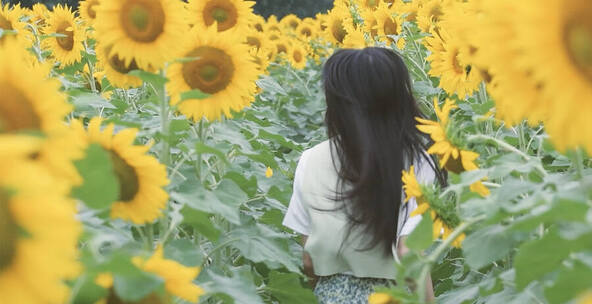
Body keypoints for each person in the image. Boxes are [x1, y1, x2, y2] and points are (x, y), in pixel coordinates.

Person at [282, 47, 446, 303]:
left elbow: (309, 260)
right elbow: (408, 254)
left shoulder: (310, 160)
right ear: (398, 100)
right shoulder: (418, 159)